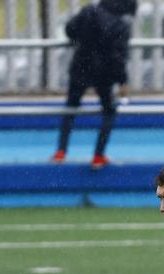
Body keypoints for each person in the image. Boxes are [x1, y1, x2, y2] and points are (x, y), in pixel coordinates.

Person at [51, 0, 136, 169]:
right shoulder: (121, 25)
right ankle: (98, 156)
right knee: (109, 111)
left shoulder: (89, 11)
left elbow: (70, 29)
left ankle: (60, 152)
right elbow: (118, 57)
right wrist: (123, 81)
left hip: (80, 67)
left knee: (71, 108)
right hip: (103, 74)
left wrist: (83, 39)